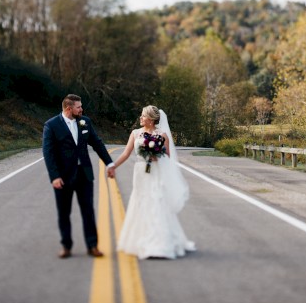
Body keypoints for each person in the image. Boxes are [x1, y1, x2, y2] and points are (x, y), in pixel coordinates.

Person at [111, 105, 195, 259]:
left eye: (143, 116)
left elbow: (168, 157)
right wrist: (113, 166)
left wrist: (157, 155)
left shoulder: (162, 135)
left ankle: (159, 243)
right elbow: (125, 153)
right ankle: (139, 239)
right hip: (141, 172)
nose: (141, 118)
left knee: (156, 201)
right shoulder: (135, 133)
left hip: (156, 172)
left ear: (150, 120)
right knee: (140, 201)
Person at [42, 94, 115, 259]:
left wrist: (109, 163)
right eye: (78, 107)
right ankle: (66, 246)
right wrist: (54, 176)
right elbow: (48, 153)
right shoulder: (51, 125)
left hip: (85, 175)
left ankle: (92, 246)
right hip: (63, 177)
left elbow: (97, 143)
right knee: (64, 212)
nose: (81, 109)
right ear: (69, 108)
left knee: (88, 210)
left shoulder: (85, 122)